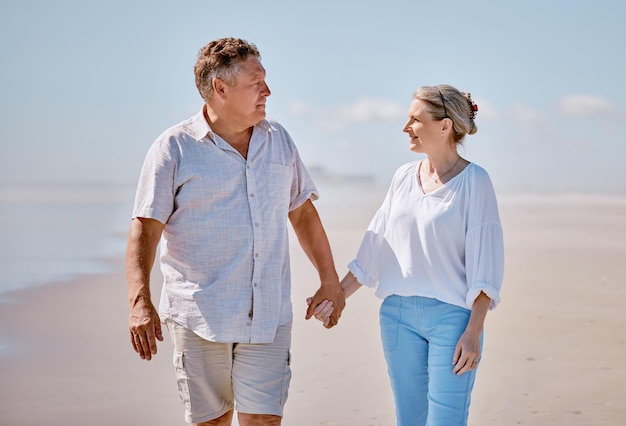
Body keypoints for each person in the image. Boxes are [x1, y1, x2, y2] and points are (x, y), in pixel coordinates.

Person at [125, 37, 345, 426]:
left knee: (264, 421)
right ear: (220, 89)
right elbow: (145, 230)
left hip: (268, 315)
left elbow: (304, 214)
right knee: (213, 422)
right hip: (199, 316)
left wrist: (330, 281)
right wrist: (139, 302)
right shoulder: (173, 148)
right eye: (256, 82)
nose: (268, 91)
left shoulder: (279, 141)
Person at [313, 84, 504, 425]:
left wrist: (473, 332)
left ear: (445, 126)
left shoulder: (475, 182)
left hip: (453, 321)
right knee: (410, 419)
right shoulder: (403, 177)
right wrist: (336, 297)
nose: (406, 128)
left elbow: (485, 267)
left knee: (446, 420)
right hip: (397, 318)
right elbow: (374, 249)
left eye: (415, 120)